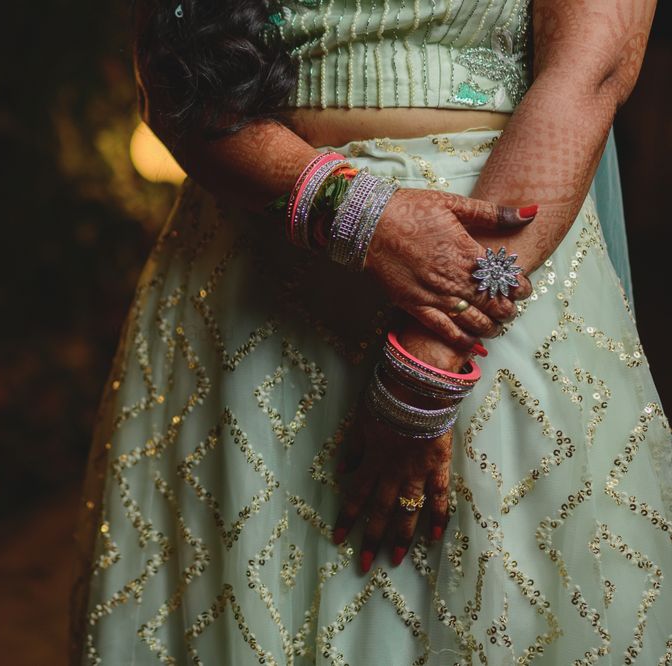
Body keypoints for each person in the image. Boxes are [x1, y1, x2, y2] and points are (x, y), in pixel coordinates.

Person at [73, 0, 672, 662]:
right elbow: (175, 72)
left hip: (499, 295)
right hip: (249, 287)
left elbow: (587, 74)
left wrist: (432, 355)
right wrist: (365, 217)